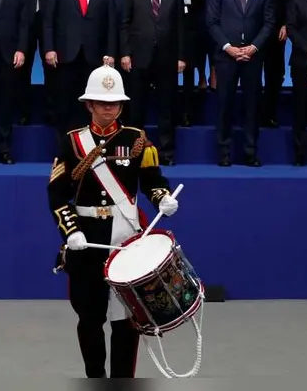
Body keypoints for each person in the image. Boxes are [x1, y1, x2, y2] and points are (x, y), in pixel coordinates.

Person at [48, 64, 179, 378]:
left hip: (125, 240)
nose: (109, 108)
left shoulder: (136, 141)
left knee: (127, 319)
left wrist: (162, 197)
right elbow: (56, 195)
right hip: (86, 241)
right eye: (102, 103)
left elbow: (151, 179)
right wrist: (71, 231)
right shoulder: (72, 143)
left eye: (115, 103)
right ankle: (95, 376)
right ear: (89, 105)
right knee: (89, 316)